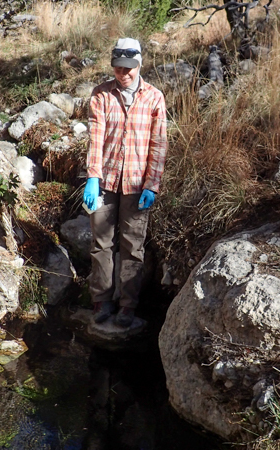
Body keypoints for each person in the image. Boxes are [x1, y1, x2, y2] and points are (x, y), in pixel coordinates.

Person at [84, 38, 167, 327]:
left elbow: (159, 145)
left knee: (133, 246)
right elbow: (95, 139)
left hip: (137, 184)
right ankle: (101, 301)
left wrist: (151, 185)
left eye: (129, 68)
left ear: (139, 64)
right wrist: (93, 177)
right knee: (101, 244)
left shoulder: (154, 97)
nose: (124, 73)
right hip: (105, 182)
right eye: (119, 68)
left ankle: (127, 306)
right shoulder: (101, 95)